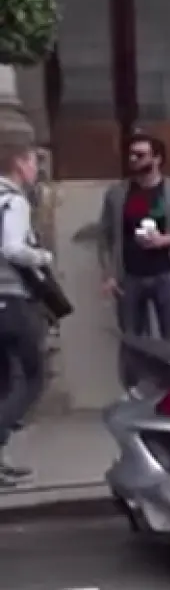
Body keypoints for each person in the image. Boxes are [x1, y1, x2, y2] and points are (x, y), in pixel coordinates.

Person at [97, 134, 170, 389]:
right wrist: (109, 274)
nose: (133, 159)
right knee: (132, 342)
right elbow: (105, 236)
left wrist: (164, 240)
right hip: (129, 277)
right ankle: (134, 393)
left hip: (166, 274)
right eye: (131, 154)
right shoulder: (117, 194)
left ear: (157, 158)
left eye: (140, 155)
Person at [0, 141, 52, 486]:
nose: (36, 170)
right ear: (19, 164)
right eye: (34, 163)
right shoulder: (14, 201)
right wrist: (43, 257)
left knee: (3, 381)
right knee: (33, 377)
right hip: (10, 299)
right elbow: (12, 249)